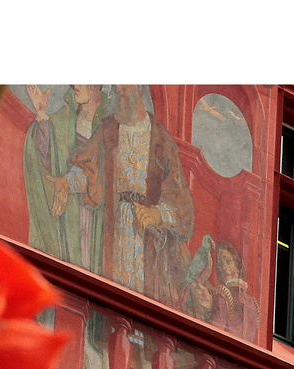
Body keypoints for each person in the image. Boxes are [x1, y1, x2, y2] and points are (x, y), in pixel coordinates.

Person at [54, 85, 193, 307]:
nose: (118, 95)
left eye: (123, 90)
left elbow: (180, 201)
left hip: (145, 232)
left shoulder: (160, 138)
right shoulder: (109, 129)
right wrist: (66, 183)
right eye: (116, 91)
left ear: (137, 90)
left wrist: (156, 214)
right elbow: (91, 168)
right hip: (113, 224)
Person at [24, 85, 105, 271]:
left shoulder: (109, 125)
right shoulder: (63, 120)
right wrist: (42, 116)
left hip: (98, 220)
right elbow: (47, 161)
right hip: (69, 219)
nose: (74, 84)